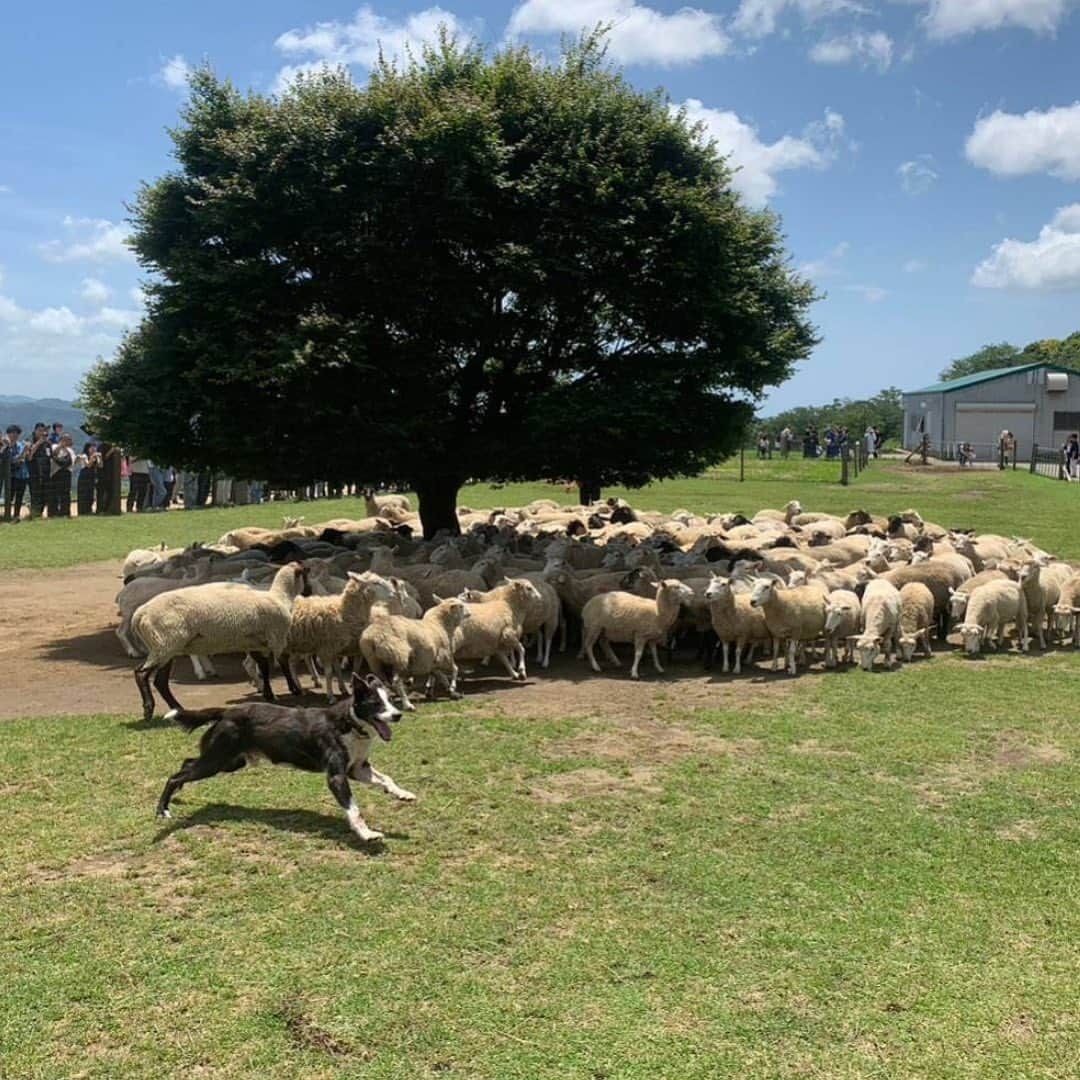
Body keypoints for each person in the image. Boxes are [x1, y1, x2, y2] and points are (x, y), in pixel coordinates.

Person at [26, 422, 52, 518]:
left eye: (43, 430)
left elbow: (50, 456)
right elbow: (29, 457)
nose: (42, 433)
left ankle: (39, 513)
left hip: (45, 472)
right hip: (34, 472)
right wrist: (38, 443)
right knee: (35, 494)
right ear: (35, 430)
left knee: (45, 495)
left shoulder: (47, 443)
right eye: (39, 430)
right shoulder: (30, 440)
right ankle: (34, 514)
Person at [76, 441, 102, 516]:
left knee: (90, 495)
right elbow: (88, 465)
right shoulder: (84, 456)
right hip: (84, 477)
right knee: (84, 495)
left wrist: (100, 458)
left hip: (92, 477)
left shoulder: (95, 456)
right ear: (87, 448)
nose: (94, 449)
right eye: (92, 447)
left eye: (95, 447)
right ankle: (83, 511)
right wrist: (92, 457)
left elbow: (100, 466)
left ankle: (89, 509)